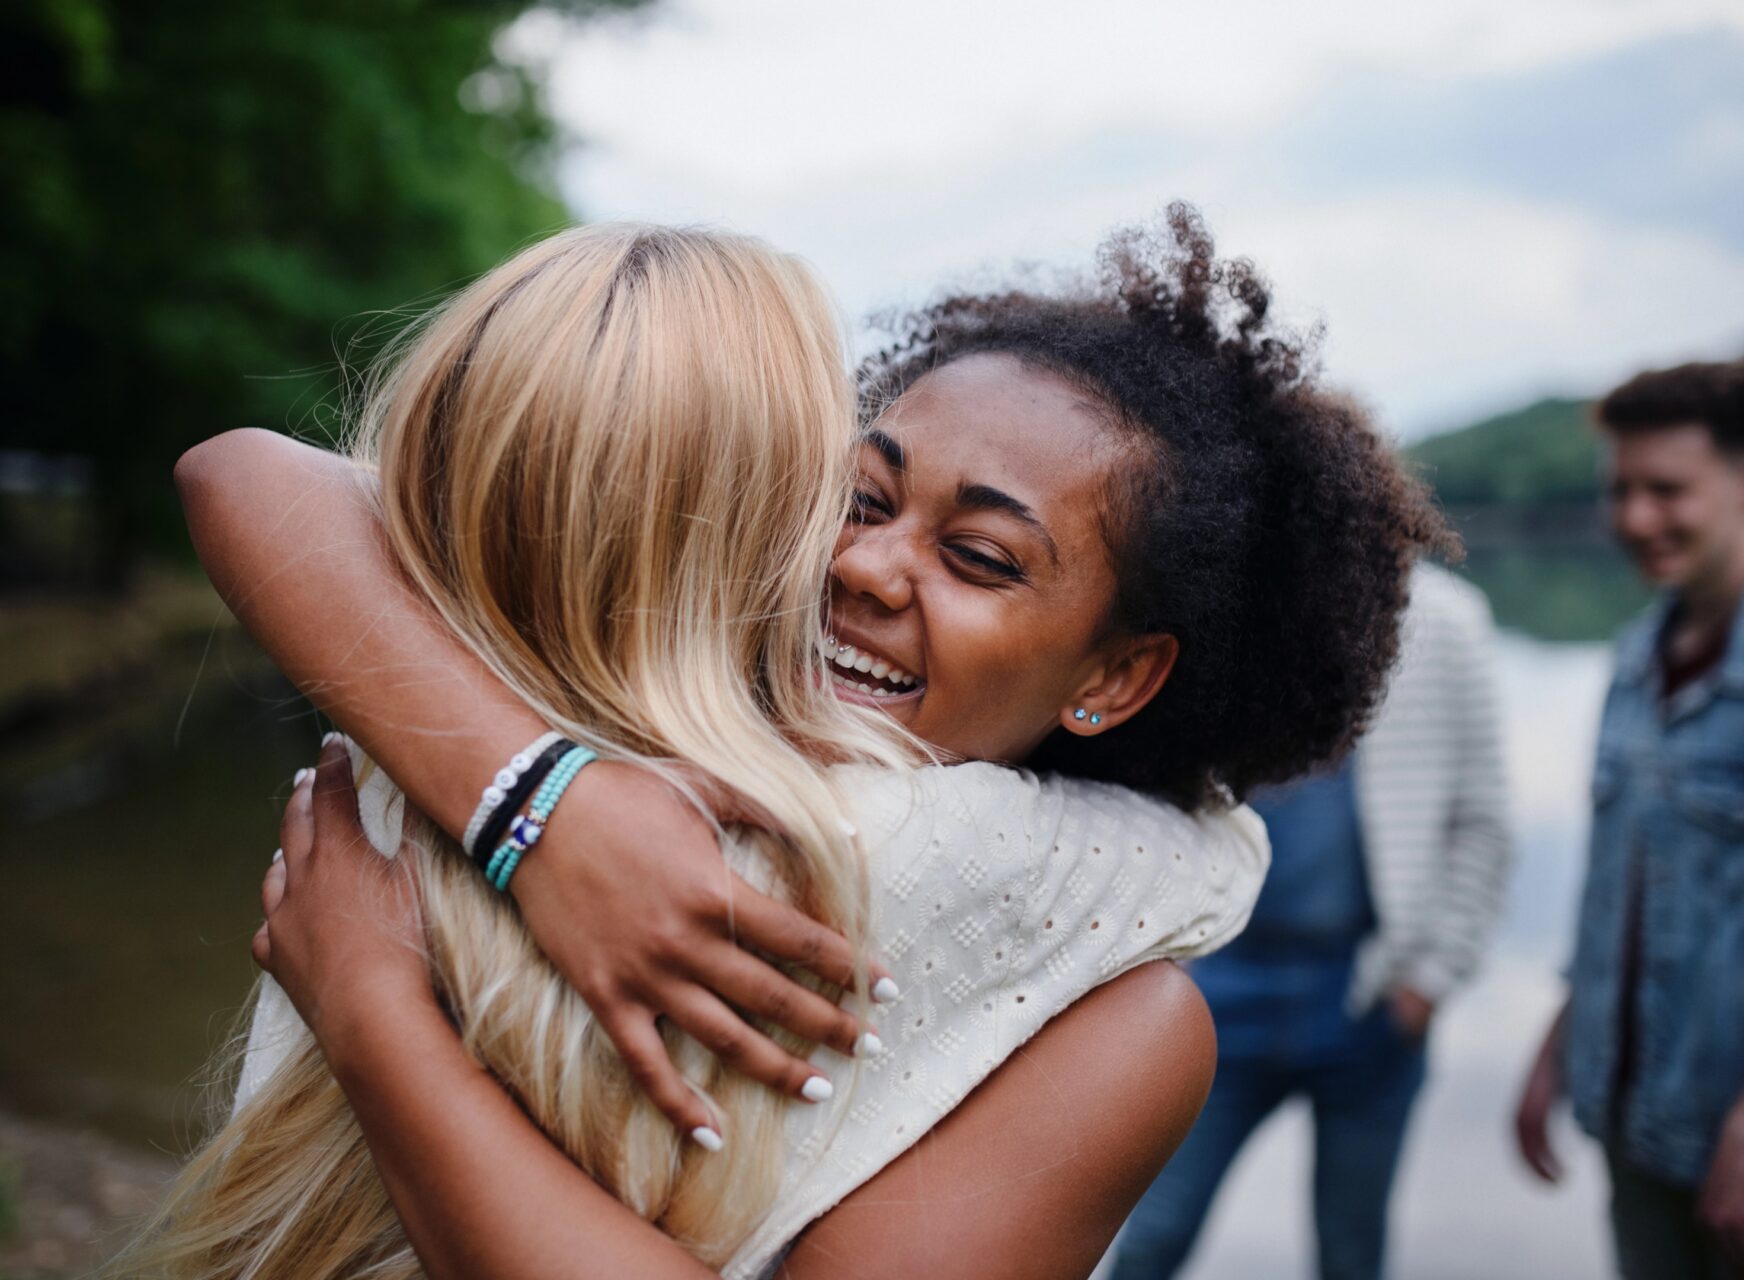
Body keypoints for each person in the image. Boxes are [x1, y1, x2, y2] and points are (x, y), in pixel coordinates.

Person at [155, 208, 1449, 1279]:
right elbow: (247, 475)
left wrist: (378, 1014)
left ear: (1114, 675)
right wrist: (539, 806)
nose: (868, 565)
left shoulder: (1115, 1007)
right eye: (862, 495)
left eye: (980, 557)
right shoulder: (625, 695)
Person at [1108, 561, 1514, 1280]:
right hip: (1215, 986)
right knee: (1151, 1238)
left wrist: (1430, 977)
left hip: (1367, 990)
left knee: (1352, 1251)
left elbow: (1483, 821)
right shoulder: (1224, 596)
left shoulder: (1449, 619)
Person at [1514, 359, 1744, 1280]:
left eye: (1668, 490)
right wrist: (1560, 1045)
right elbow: (1625, 882)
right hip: (1635, 1123)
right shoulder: (1634, 656)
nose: (1636, 518)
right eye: (1621, 491)